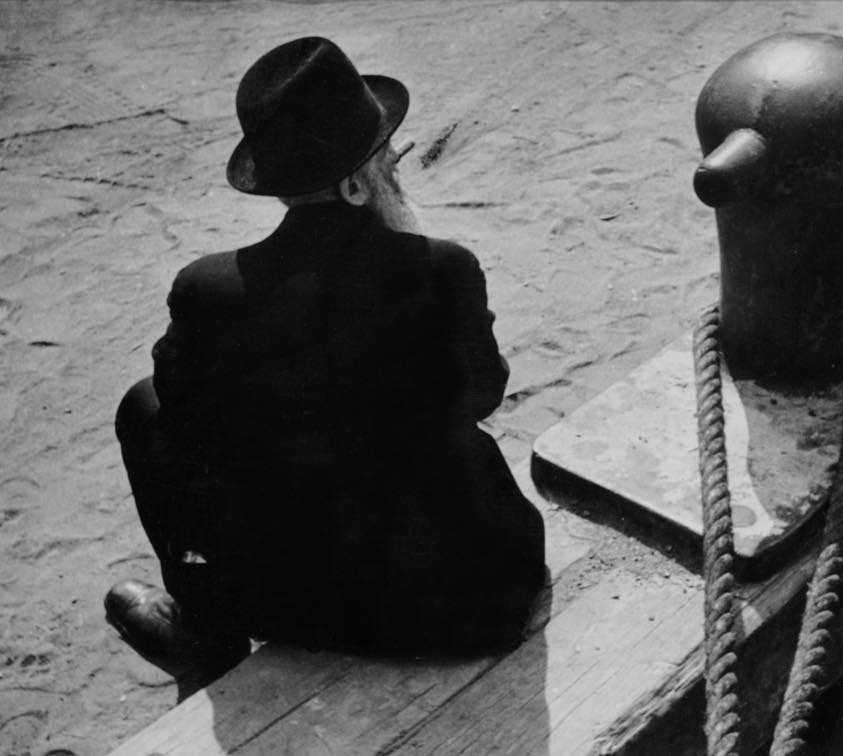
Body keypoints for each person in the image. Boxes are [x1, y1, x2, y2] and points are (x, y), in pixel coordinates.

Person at [105, 37, 546, 662]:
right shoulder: (443, 268)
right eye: (387, 157)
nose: (395, 165)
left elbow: (182, 418)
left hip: (296, 608)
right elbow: (482, 393)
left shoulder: (206, 290)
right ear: (358, 185)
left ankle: (206, 621)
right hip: (470, 600)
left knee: (143, 407)